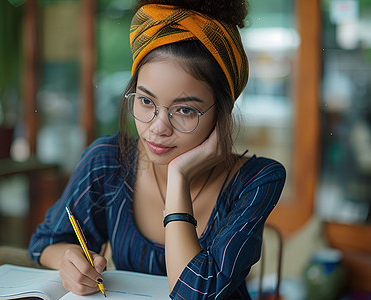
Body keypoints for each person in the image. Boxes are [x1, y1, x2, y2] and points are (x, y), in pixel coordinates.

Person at [28, 0, 286, 299]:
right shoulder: (108, 161)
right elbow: (45, 241)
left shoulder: (257, 180)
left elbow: (195, 293)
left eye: (185, 110)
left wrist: (179, 177)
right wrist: (69, 261)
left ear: (221, 114)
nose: (158, 127)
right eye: (146, 101)